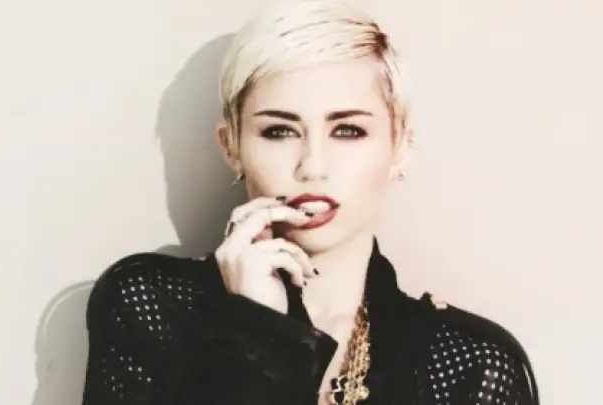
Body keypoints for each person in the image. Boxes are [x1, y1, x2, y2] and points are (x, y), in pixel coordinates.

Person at [80, 1, 540, 404]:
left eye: (348, 131)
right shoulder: (153, 306)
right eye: (279, 130)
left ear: (399, 147)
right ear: (231, 145)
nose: (312, 167)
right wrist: (259, 335)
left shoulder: (470, 364)